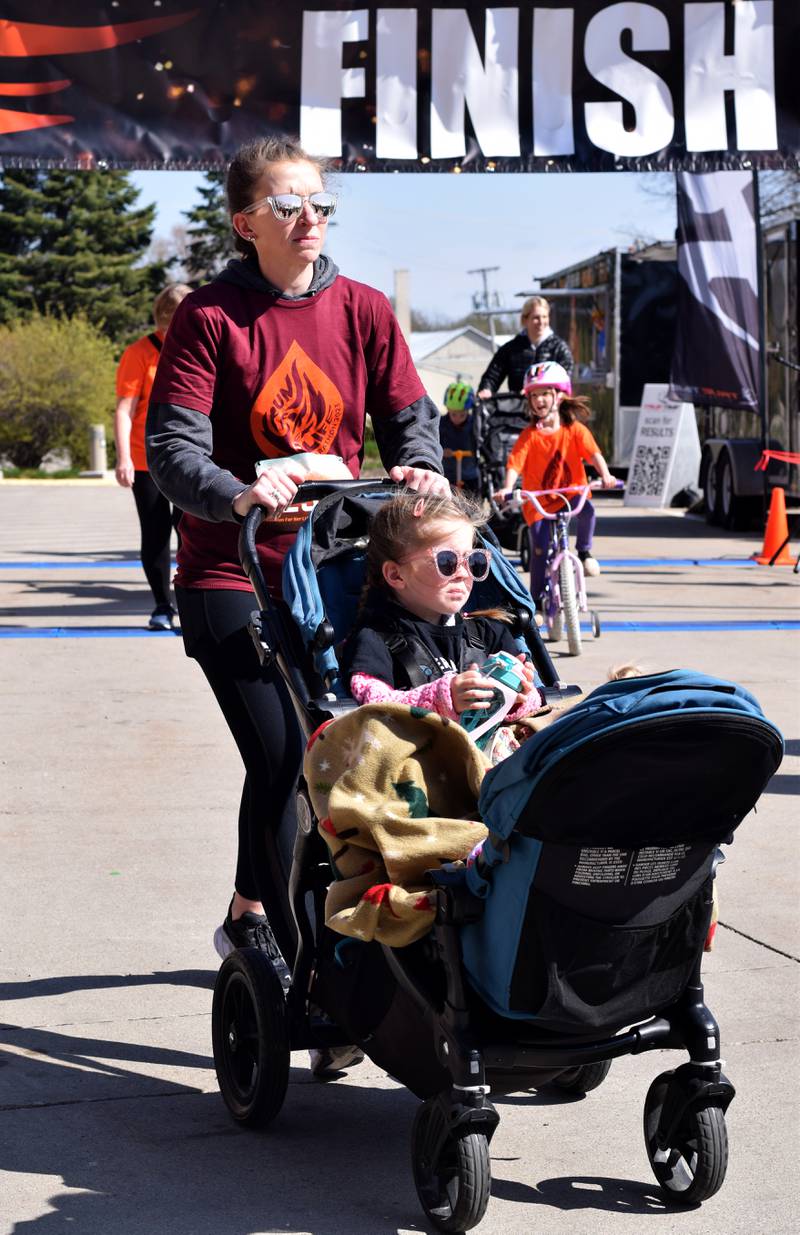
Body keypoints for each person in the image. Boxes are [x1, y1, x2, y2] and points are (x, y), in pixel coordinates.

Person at [145, 137, 449, 1073]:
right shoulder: (209, 318)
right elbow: (171, 443)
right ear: (246, 223)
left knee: (368, 750)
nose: (309, 217)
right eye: (287, 205)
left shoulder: (361, 310)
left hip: (335, 566)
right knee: (286, 754)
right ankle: (317, 971)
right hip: (230, 571)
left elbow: (410, 416)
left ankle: (265, 910)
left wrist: (422, 464)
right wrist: (236, 489)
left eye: (319, 202)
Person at [341, 488, 542, 735]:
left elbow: (535, 702)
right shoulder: (374, 638)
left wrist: (518, 696)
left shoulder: (491, 632)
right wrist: (443, 699)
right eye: (447, 561)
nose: (463, 572)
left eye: (474, 561)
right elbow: (375, 706)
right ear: (396, 574)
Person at [495, 362, 616, 605]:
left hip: (571, 493)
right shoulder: (529, 435)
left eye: (545, 394)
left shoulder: (575, 430)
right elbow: (515, 464)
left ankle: (584, 552)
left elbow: (594, 455)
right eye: (534, 395)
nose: (539, 400)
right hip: (538, 500)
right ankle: (537, 600)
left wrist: (606, 475)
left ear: (559, 396)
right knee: (539, 549)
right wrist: (508, 488)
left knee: (588, 512)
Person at [114, 283, 191, 630]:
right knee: (156, 534)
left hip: (191, 460)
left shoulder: (201, 349)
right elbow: (124, 410)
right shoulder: (140, 353)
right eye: (170, 319)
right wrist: (122, 458)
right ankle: (163, 605)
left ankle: (193, 605)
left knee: (192, 532)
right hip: (145, 460)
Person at [477, 295, 573, 398]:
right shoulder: (511, 348)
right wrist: (486, 389)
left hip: (549, 408)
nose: (541, 322)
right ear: (525, 320)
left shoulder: (559, 348)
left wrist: (536, 391)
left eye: (545, 317)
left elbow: (564, 380)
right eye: (536, 317)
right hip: (519, 408)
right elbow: (493, 375)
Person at [439, 380, 479, 496]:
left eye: (462, 415)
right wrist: (441, 451)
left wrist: (476, 451)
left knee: (473, 501)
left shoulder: (474, 424)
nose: (457, 418)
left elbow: (481, 443)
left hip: (470, 474)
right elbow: (434, 442)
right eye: (453, 414)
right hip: (448, 474)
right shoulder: (441, 424)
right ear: (448, 410)